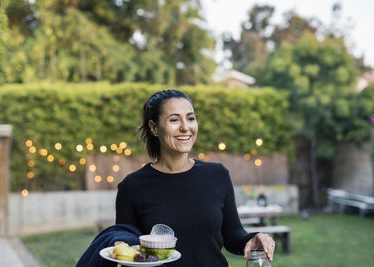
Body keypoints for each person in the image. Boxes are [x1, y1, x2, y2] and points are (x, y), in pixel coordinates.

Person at [115, 89, 275, 266]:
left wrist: (252, 239)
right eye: (174, 120)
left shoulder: (217, 175)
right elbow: (125, 246)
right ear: (153, 127)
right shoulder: (132, 186)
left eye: (190, 118)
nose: (186, 127)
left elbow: (232, 235)